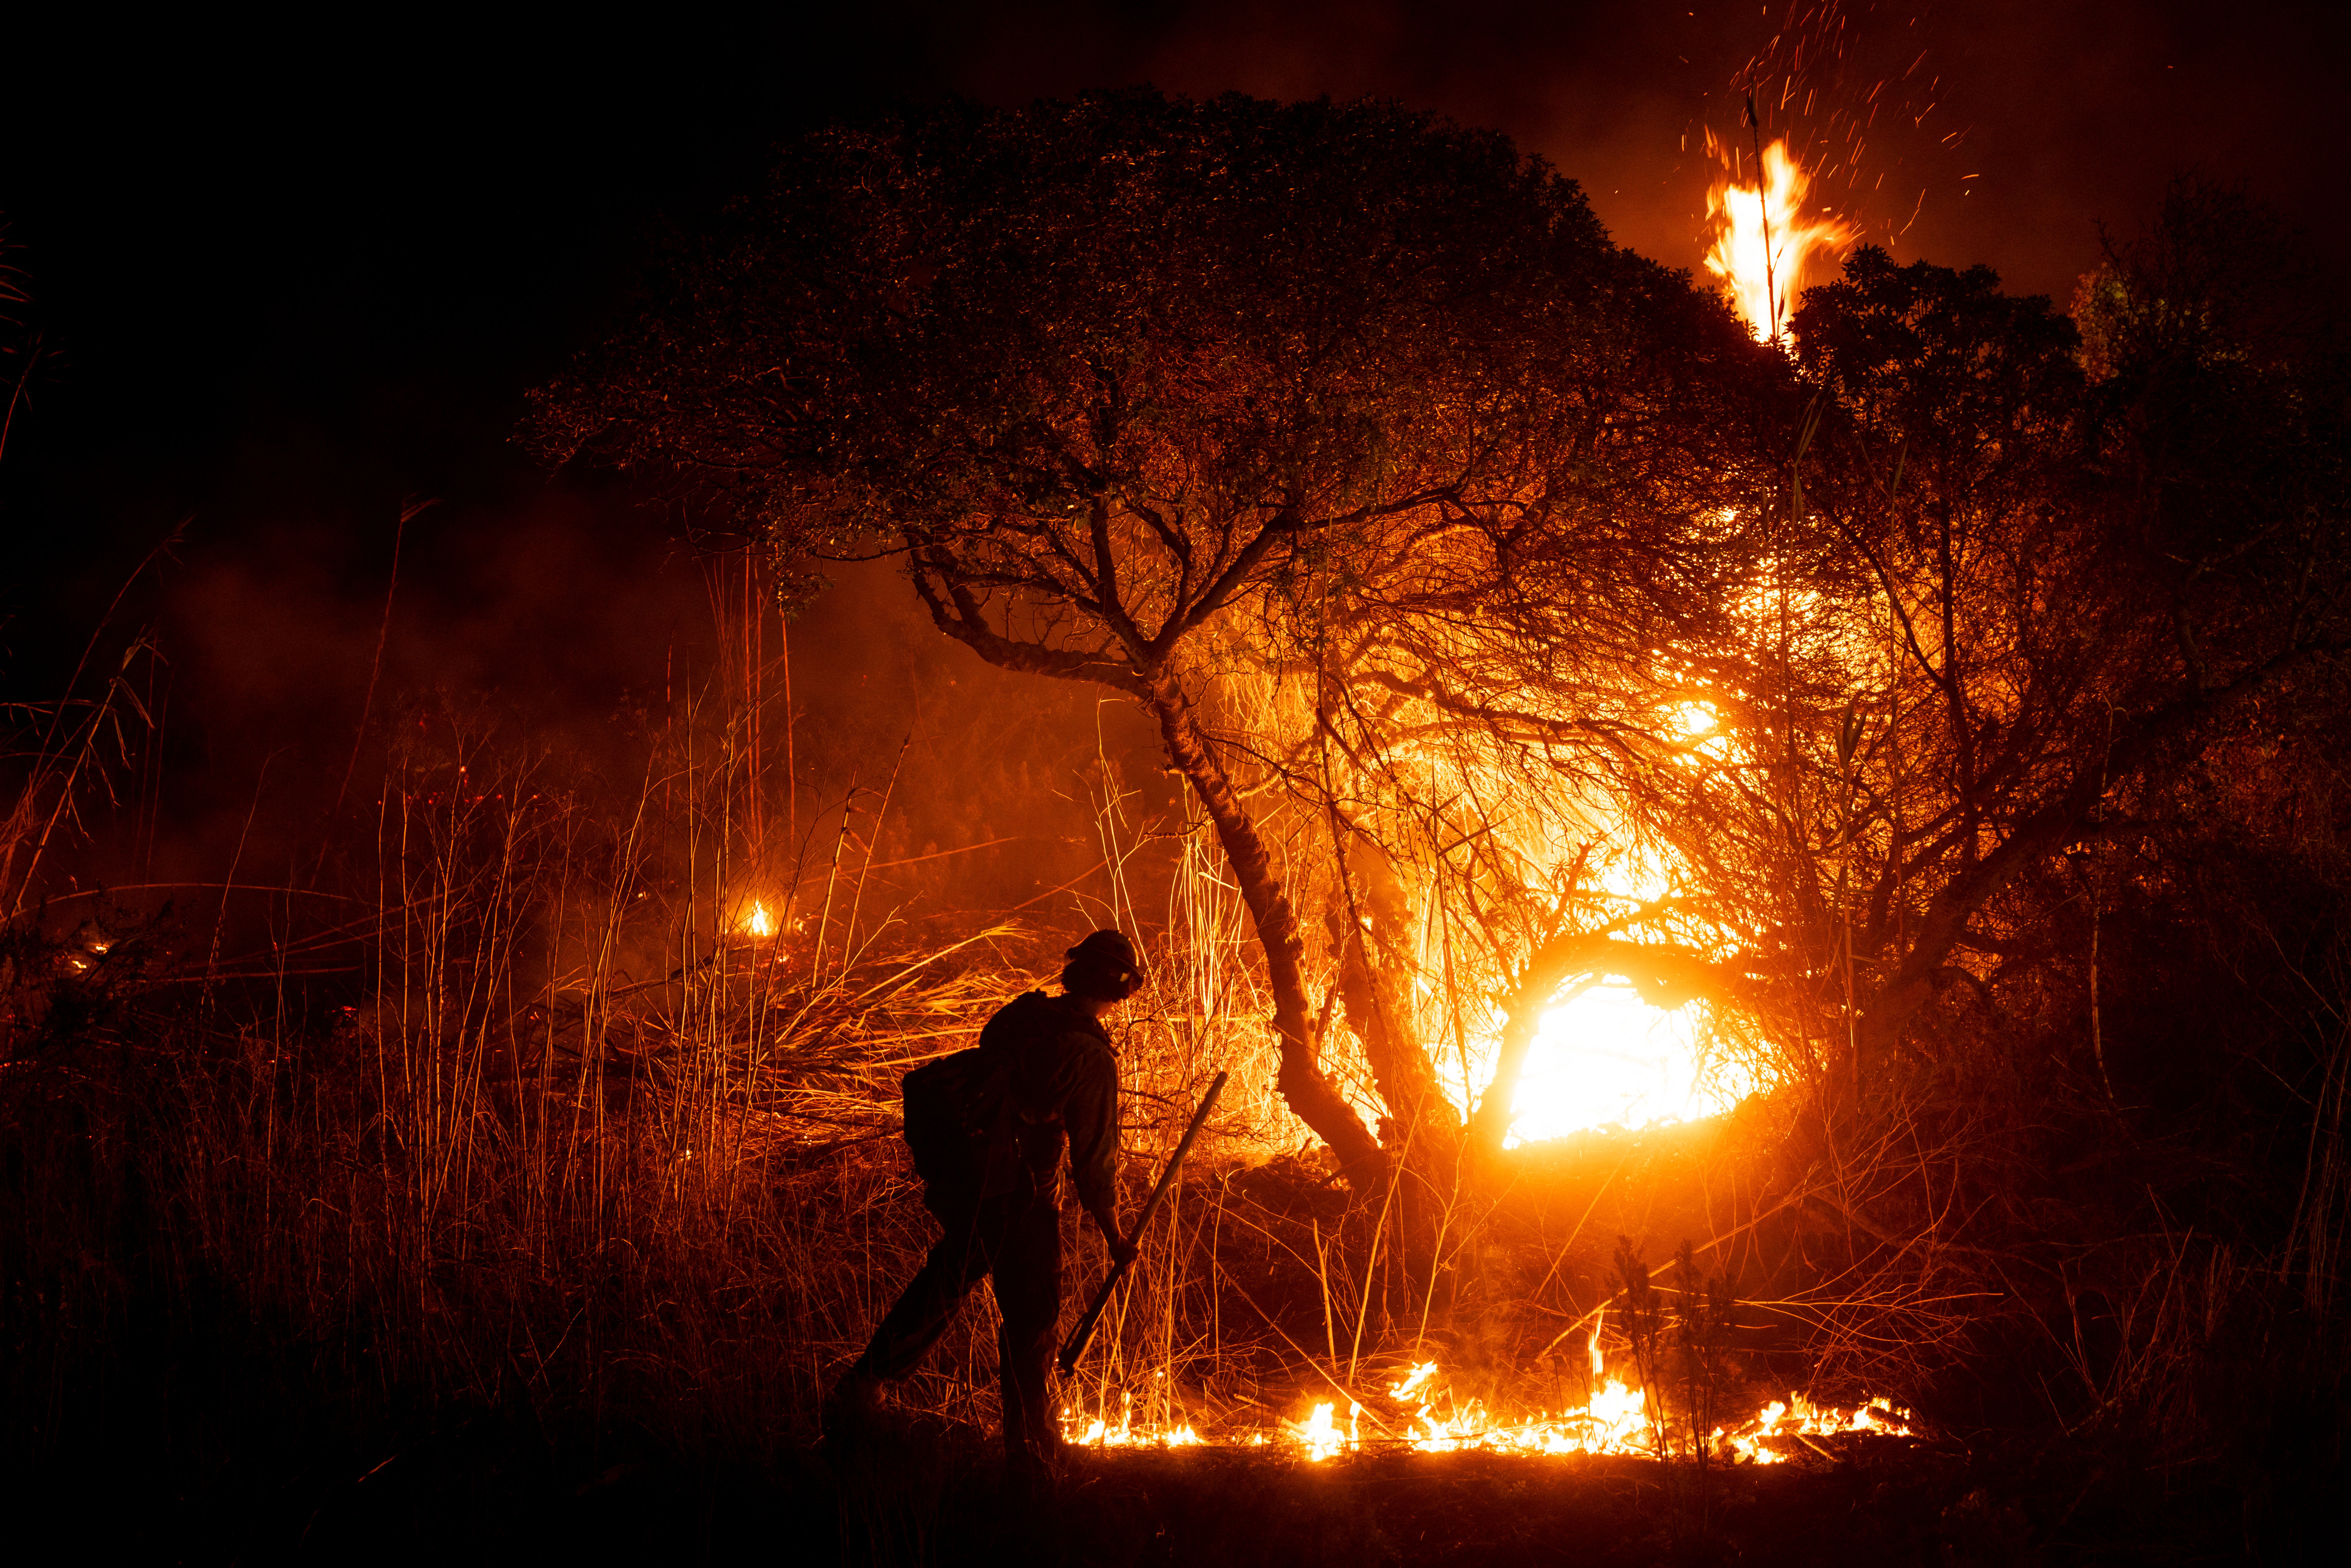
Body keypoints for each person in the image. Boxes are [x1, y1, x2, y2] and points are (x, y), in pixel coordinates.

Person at [826, 929, 1141, 1472]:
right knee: (1032, 1315)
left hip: (976, 1180)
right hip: (1022, 1196)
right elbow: (1095, 1158)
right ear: (1120, 991)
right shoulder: (1090, 1058)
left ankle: (863, 1387)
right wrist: (1114, 1233)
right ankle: (1033, 1446)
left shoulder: (1022, 1017)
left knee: (946, 1280)